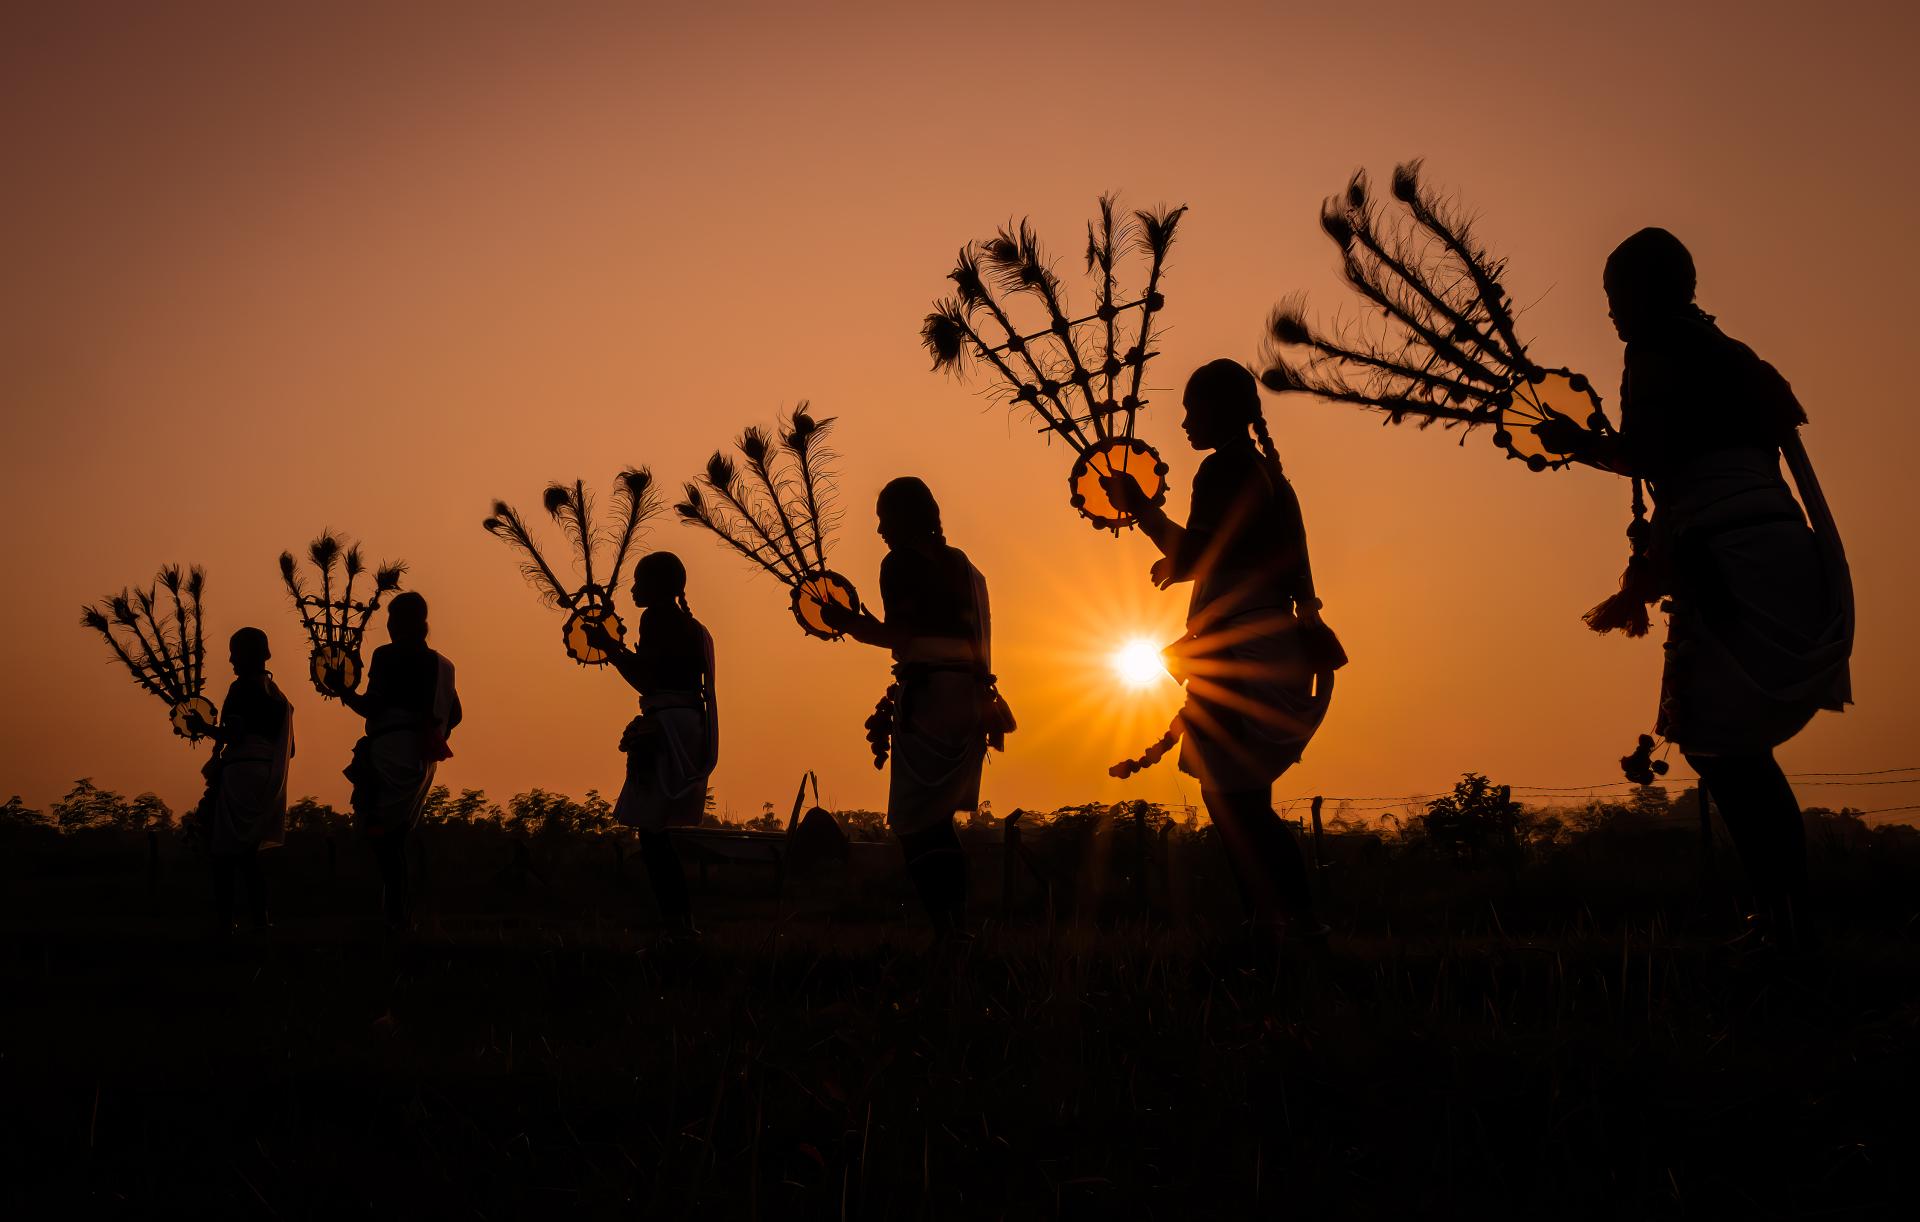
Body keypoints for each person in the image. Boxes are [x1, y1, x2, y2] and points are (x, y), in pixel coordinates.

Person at [1536, 228, 1852, 946]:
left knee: (1721, 747)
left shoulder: (1651, 352)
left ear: (1648, 295)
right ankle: (1783, 915)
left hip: (1727, 556)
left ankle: (1782, 920)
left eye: (1617, 299)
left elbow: (1646, 456)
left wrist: (1577, 444)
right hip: (1780, 547)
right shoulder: (1732, 355)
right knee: (1730, 747)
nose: (1612, 316)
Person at [1105, 359, 1343, 944]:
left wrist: (1139, 507)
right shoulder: (1265, 475)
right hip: (1270, 646)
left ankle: (1275, 922)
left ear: (1222, 412)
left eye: (1192, 409)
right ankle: (1289, 922)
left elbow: (1201, 556)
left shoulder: (1222, 471)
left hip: (1239, 652)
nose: (1184, 421)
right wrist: (1181, 563)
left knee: (1232, 802)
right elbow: (1229, 559)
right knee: (1244, 798)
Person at [823, 477, 1003, 939]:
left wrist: (848, 623)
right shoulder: (963, 565)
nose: (880, 529)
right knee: (937, 820)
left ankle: (947, 932)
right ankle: (956, 929)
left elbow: (898, 637)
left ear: (904, 518)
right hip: (968, 698)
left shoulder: (898, 562)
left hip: (927, 701)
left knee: (911, 822)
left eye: (884, 518)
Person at [582, 552, 716, 939]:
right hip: (688, 725)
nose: (634, 589)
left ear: (657, 587)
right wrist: (612, 647)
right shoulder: (690, 626)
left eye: (640, 581)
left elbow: (647, 680)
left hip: (667, 725)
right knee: (656, 831)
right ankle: (680, 921)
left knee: (652, 831)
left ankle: (676, 923)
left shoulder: (655, 617)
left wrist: (608, 647)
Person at [332, 592, 461, 931]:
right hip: (422, 759)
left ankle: (395, 918)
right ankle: (398, 916)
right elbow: (456, 715)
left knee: (382, 839)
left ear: (398, 623)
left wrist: (343, 691)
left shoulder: (386, 655)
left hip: (389, 753)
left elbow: (372, 705)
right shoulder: (443, 666)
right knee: (395, 840)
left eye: (390, 620)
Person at [186, 627, 294, 937]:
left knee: (223, 853)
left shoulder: (240, 690)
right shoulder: (279, 698)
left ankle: (225, 923)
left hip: (240, 775)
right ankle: (260, 920)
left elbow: (234, 734)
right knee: (248, 856)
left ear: (246, 656)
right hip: (266, 779)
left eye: (235, 653)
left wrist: (203, 727)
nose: (231, 660)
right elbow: (292, 748)